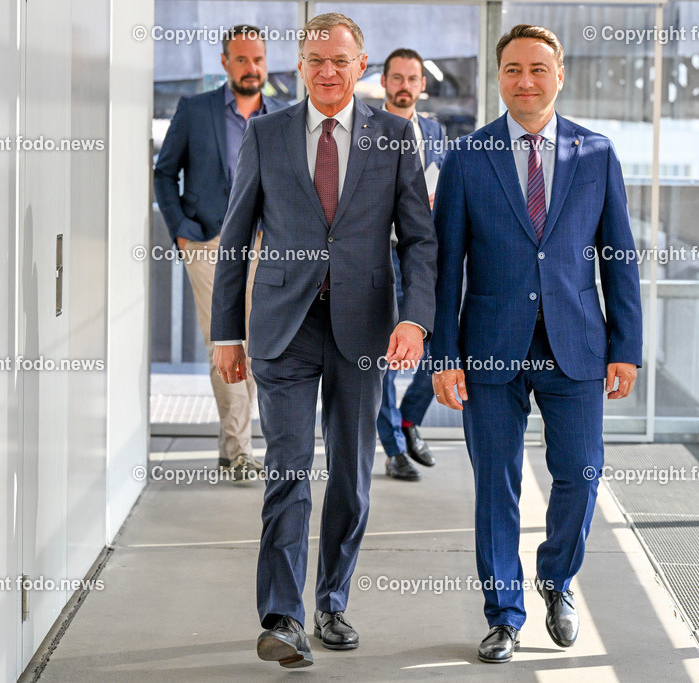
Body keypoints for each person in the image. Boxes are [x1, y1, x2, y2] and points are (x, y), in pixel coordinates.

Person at [210, 13, 437, 668]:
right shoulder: (267, 132)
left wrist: (414, 319)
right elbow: (234, 238)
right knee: (288, 467)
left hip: (365, 327)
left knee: (350, 474)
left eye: (340, 60)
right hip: (284, 324)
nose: (328, 70)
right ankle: (283, 615)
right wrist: (228, 330)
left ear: (359, 66)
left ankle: (332, 598)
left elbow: (420, 239)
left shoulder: (395, 137)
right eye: (315, 59)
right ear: (299, 66)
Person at [430, 24, 643, 664]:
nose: (526, 81)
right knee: (496, 486)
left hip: (577, 345)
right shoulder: (469, 156)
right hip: (491, 346)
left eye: (538, 70)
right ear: (500, 77)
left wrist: (625, 346)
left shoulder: (596, 153)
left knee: (579, 476)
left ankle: (556, 580)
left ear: (558, 75)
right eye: (514, 69)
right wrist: (444, 357)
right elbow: (447, 267)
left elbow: (619, 258)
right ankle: (503, 615)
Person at [154, 25, 288, 479]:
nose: (252, 68)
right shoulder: (196, 110)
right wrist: (182, 232)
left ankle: (233, 446)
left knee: (258, 345)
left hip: (266, 246)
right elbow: (164, 172)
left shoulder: (283, 116)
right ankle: (240, 451)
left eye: (259, 60)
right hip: (209, 243)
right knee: (225, 341)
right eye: (242, 60)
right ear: (225, 63)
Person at [377, 48, 447, 481]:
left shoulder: (435, 131)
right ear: (384, 82)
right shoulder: (370, 129)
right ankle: (394, 446)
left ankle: (408, 417)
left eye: (412, 78)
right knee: (381, 354)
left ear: (422, 85)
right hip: (380, 255)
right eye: (397, 78)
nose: (405, 86)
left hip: (423, 254)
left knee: (440, 342)